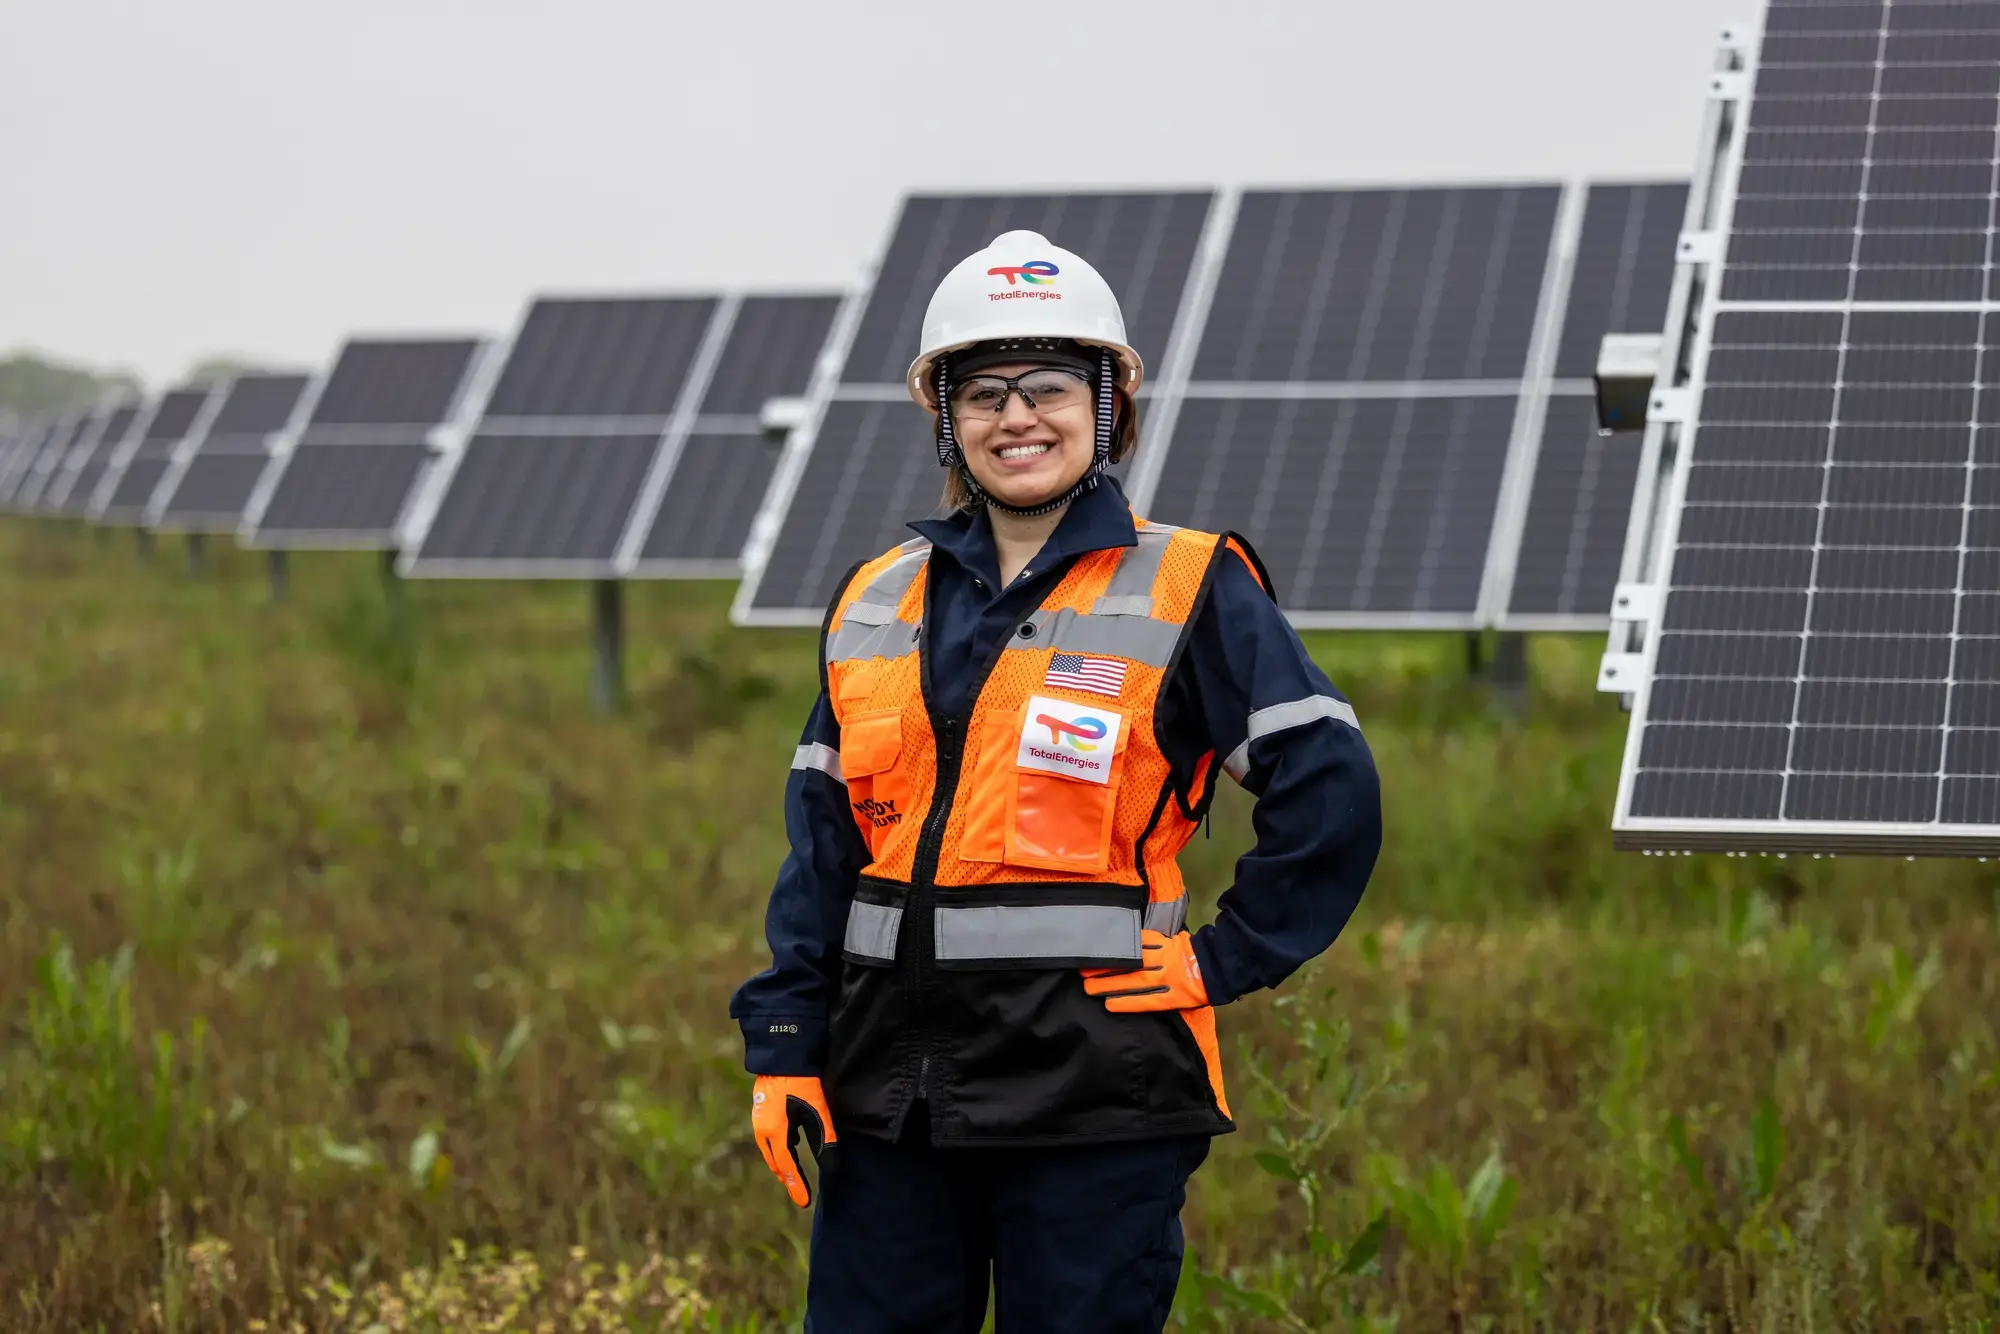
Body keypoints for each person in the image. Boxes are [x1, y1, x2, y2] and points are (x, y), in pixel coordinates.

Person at [730, 229, 1382, 1333]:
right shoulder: (875, 597)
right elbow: (824, 848)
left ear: (1105, 405)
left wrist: (1221, 957)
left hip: (1095, 1101)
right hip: (890, 1098)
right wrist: (787, 1037)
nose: (1016, 417)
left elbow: (1330, 787)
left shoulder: (1190, 583)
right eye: (984, 392)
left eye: (1049, 387)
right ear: (946, 416)